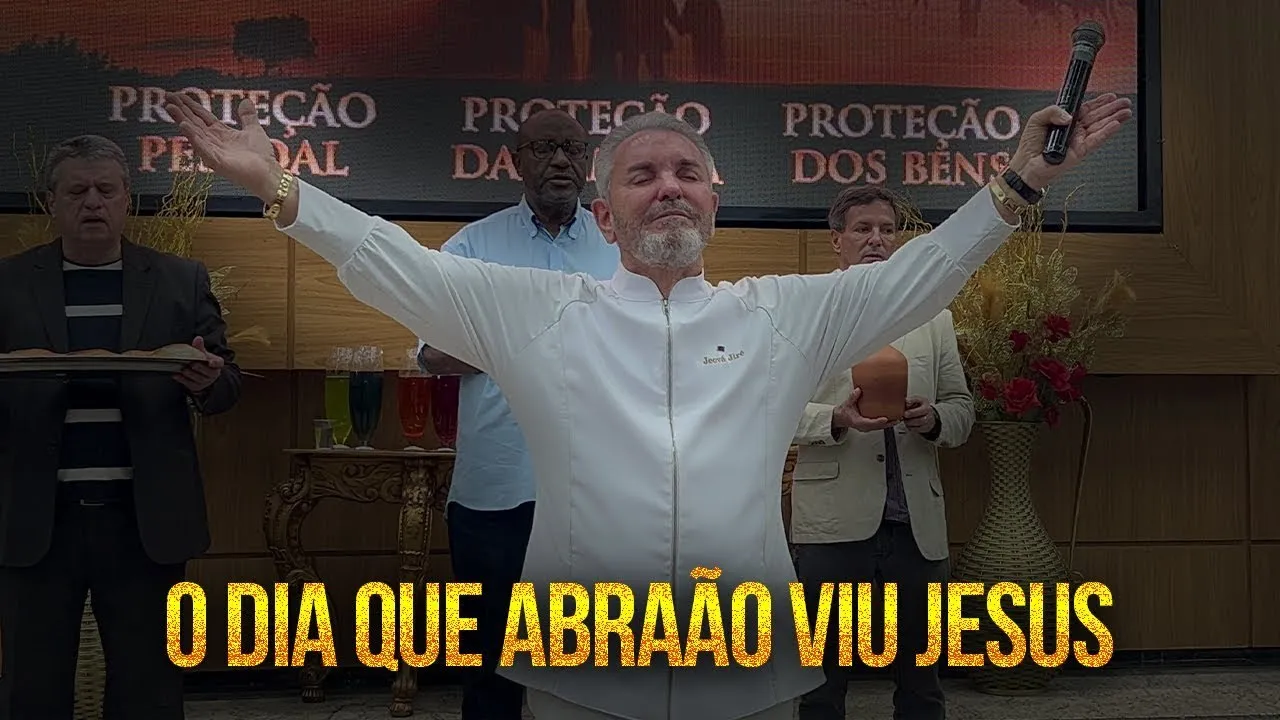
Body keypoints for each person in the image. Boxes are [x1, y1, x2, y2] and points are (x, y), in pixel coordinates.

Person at [164, 89, 1130, 720]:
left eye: (686, 174)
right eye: (642, 174)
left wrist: (1023, 179)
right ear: (605, 212)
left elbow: (926, 271)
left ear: (715, 202)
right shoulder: (536, 311)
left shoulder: (784, 315)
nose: (668, 187)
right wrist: (275, 185)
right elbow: (389, 262)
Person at [0, 134, 241, 720]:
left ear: (127, 198)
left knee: (149, 691)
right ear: (51, 202)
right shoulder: (8, 283)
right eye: (77, 191)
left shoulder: (180, 279)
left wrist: (206, 380)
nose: (92, 202)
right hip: (36, 520)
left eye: (105, 190)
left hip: (145, 522)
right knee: (31, 691)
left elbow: (227, 385)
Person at [416, 108, 620, 720]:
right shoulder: (472, 247)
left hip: (604, 490)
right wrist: (545, 339)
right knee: (490, 667)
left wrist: (506, 335)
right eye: (544, 148)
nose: (559, 160)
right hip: (497, 488)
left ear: (589, 162)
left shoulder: (622, 248)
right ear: (515, 160)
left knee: (597, 667)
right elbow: (433, 353)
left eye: (572, 149)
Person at [791, 186, 975, 720]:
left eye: (887, 230)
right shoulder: (804, 311)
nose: (876, 239)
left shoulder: (933, 316)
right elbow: (771, 411)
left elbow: (962, 408)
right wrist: (835, 418)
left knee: (922, 681)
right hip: (833, 520)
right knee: (821, 679)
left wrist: (934, 419)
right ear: (837, 240)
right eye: (863, 229)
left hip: (915, 522)